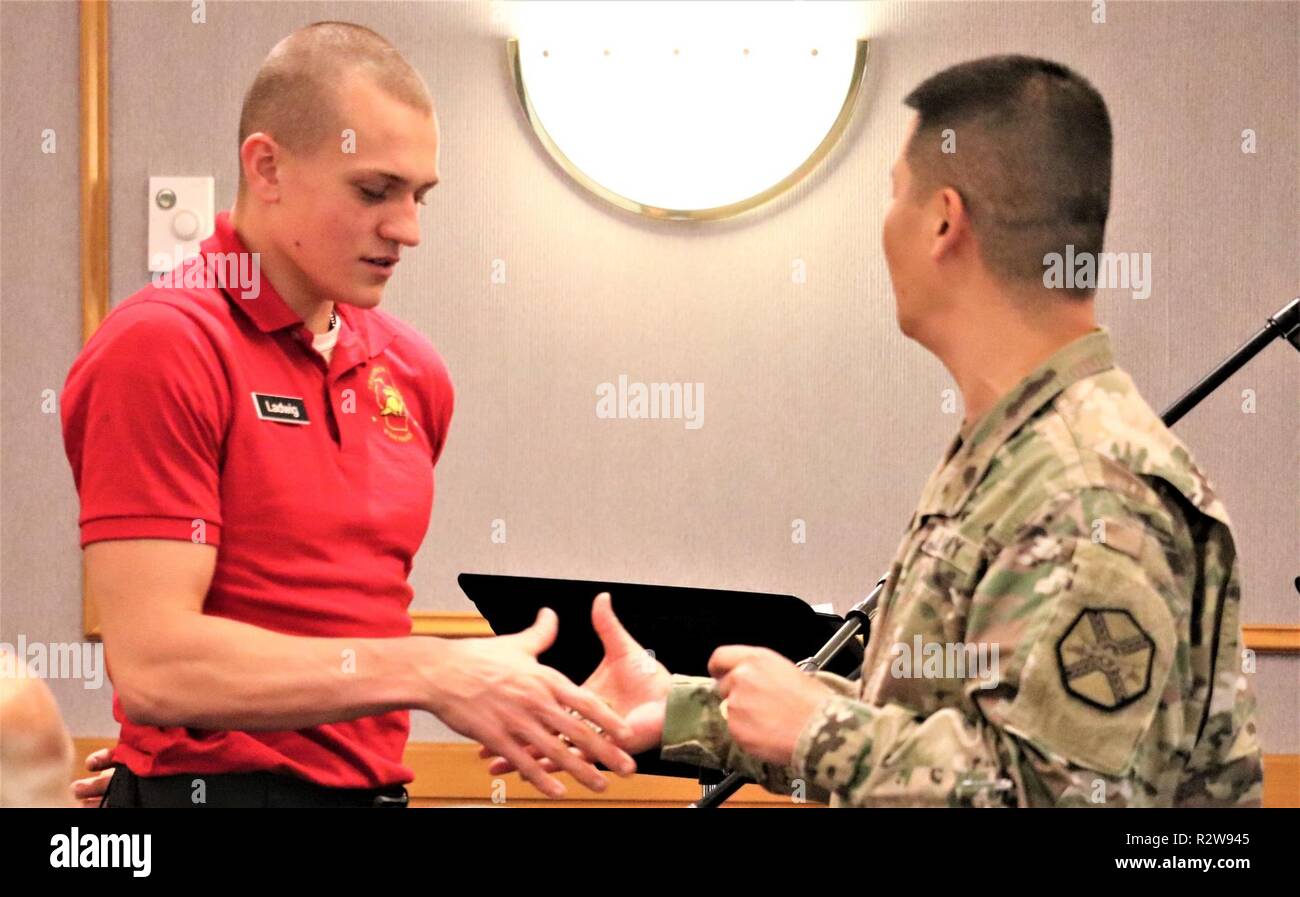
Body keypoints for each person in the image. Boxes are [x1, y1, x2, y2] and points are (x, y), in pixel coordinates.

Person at [487, 55, 1264, 807]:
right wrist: (683, 710)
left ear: (943, 221)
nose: (883, 224)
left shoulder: (1091, 485)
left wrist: (820, 726)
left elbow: (1067, 799)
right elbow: (940, 740)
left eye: (893, 194)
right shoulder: (1015, 455)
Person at [61, 21, 635, 808]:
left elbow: (341, 614)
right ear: (266, 167)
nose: (407, 229)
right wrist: (430, 669)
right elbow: (159, 669)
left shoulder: (414, 371)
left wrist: (548, 695)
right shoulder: (164, 345)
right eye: (373, 190)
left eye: (417, 195)